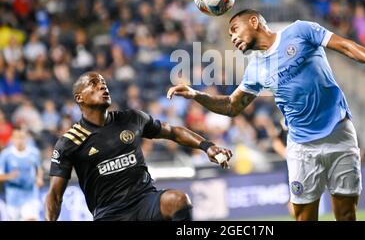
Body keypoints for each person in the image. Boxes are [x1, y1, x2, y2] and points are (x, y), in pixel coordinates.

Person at [167, 9, 365, 221]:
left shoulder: (300, 31)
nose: (232, 37)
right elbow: (232, 106)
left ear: (254, 21)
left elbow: (345, 45)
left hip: (340, 133)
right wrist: (195, 95)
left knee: (347, 215)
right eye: (230, 34)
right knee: (303, 217)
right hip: (302, 147)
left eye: (234, 29)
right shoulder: (255, 69)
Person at [45, 72, 232, 221]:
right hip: (109, 213)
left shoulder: (131, 118)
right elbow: (55, 195)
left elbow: (173, 132)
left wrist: (207, 146)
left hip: (144, 201)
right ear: (79, 98)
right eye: (93, 84)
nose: (102, 86)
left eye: (103, 82)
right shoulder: (69, 142)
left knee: (178, 200)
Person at [0, 128, 44, 221]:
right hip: (13, 197)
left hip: (30, 195)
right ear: (12, 139)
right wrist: (10, 176)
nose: (19, 140)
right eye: (17, 138)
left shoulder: (33, 153)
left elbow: (39, 169)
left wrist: (39, 178)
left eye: (22, 137)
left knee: (31, 218)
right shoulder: (5, 155)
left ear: (26, 138)